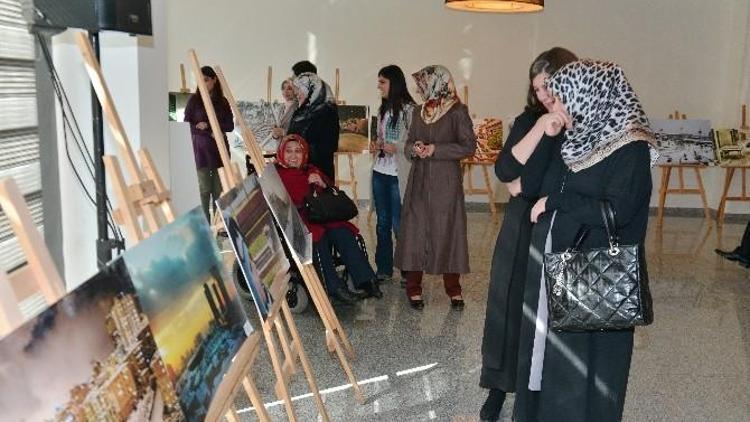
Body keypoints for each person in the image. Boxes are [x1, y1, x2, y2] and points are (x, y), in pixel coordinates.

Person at [513, 60, 659, 422]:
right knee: (563, 368)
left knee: (595, 370)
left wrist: (558, 201)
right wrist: (547, 137)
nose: (556, 106)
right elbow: (529, 184)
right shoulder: (580, 137)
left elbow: (618, 211)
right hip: (569, 269)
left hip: (602, 275)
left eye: (562, 98)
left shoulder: (631, 146)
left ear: (590, 95)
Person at [478, 47, 578, 422]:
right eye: (537, 89)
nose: (543, 96)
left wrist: (531, 186)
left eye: (548, 87)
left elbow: (537, 181)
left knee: (547, 315)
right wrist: (540, 126)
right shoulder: (529, 120)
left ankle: (539, 391)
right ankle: (498, 388)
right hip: (522, 224)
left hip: (560, 224)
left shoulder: (583, 123)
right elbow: (506, 171)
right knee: (507, 306)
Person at [394, 65, 476, 310]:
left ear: (437, 83)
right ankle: (413, 288)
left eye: (422, 83)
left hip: (446, 185)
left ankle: (454, 290)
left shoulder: (458, 112)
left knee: (447, 233)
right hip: (419, 182)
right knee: (415, 234)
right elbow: (409, 144)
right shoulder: (419, 111)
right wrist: (415, 149)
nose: (419, 88)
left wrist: (436, 150)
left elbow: (468, 146)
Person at [275, 134, 383, 303]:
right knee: (319, 236)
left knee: (342, 231)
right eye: (288, 151)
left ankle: (365, 280)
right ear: (281, 153)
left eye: (298, 151)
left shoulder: (311, 169)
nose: (293, 156)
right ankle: (335, 288)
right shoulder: (276, 174)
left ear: (304, 154)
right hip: (297, 220)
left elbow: (331, 192)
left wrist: (323, 184)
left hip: (321, 215)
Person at [372, 65, 416, 283]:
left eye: (383, 82)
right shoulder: (382, 109)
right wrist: (377, 144)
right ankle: (383, 268)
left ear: (394, 83)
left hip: (399, 173)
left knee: (400, 224)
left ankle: (407, 271)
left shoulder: (410, 110)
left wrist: (396, 147)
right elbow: (381, 136)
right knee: (382, 223)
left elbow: (414, 144)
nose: (379, 86)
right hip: (380, 171)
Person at [184, 65, 234, 220]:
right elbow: (187, 124)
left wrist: (211, 126)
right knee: (203, 189)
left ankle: (219, 225)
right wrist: (203, 129)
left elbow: (230, 126)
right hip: (200, 151)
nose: (203, 83)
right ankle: (204, 224)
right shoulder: (194, 100)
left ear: (214, 80)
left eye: (206, 80)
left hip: (219, 151)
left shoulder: (223, 102)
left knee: (218, 189)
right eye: (200, 80)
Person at [287, 72, 339, 180]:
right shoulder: (300, 112)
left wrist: (301, 151)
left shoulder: (327, 112)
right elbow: (290, 137)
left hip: (317, 173)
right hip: (297, 169)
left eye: (300, 89)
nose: (297, 93)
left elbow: (329, 147)